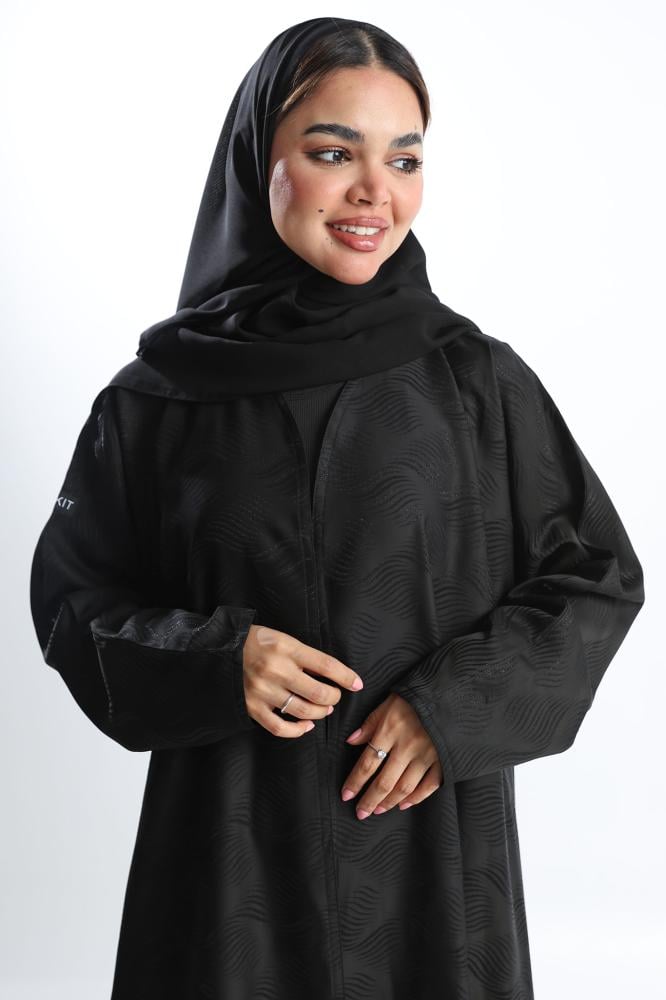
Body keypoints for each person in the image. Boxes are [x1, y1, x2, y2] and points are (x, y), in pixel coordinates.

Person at [29, 15, 645, 1000]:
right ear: (257, 159)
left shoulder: (476, 384)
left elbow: (596, 579)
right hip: (226, 871)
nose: (374, 192)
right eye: (332, 152)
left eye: (404, 159)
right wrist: (216, 659)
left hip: (430, 870)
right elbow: (74, 601)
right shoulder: (157, 401)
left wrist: (452, 711)